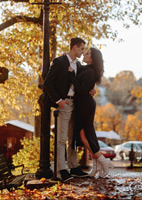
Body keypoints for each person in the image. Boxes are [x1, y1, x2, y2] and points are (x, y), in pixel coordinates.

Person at [43, 37, 95, 182]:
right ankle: (61, 170)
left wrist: (93, 89)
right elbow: (47, 83)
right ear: (74, 48)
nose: (83, 52)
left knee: (71, 139)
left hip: (76, 105)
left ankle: (73, 167)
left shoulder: (78, 65)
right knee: (61, 138)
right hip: (64, 104)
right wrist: (59, 101)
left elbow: (82, 82)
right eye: (82, 49)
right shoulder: (59, 62)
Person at [68, 47, 114, 177]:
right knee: (87, 135)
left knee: (85, 135)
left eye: (87, 54)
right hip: (82, 104)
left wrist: (72, 76)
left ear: (93, 59)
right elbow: (78, 68)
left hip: (85, 105)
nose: (84, 54)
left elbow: (82, 90)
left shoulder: (91, 72)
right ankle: (97, 166)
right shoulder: (86, 69)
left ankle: (102, 161)